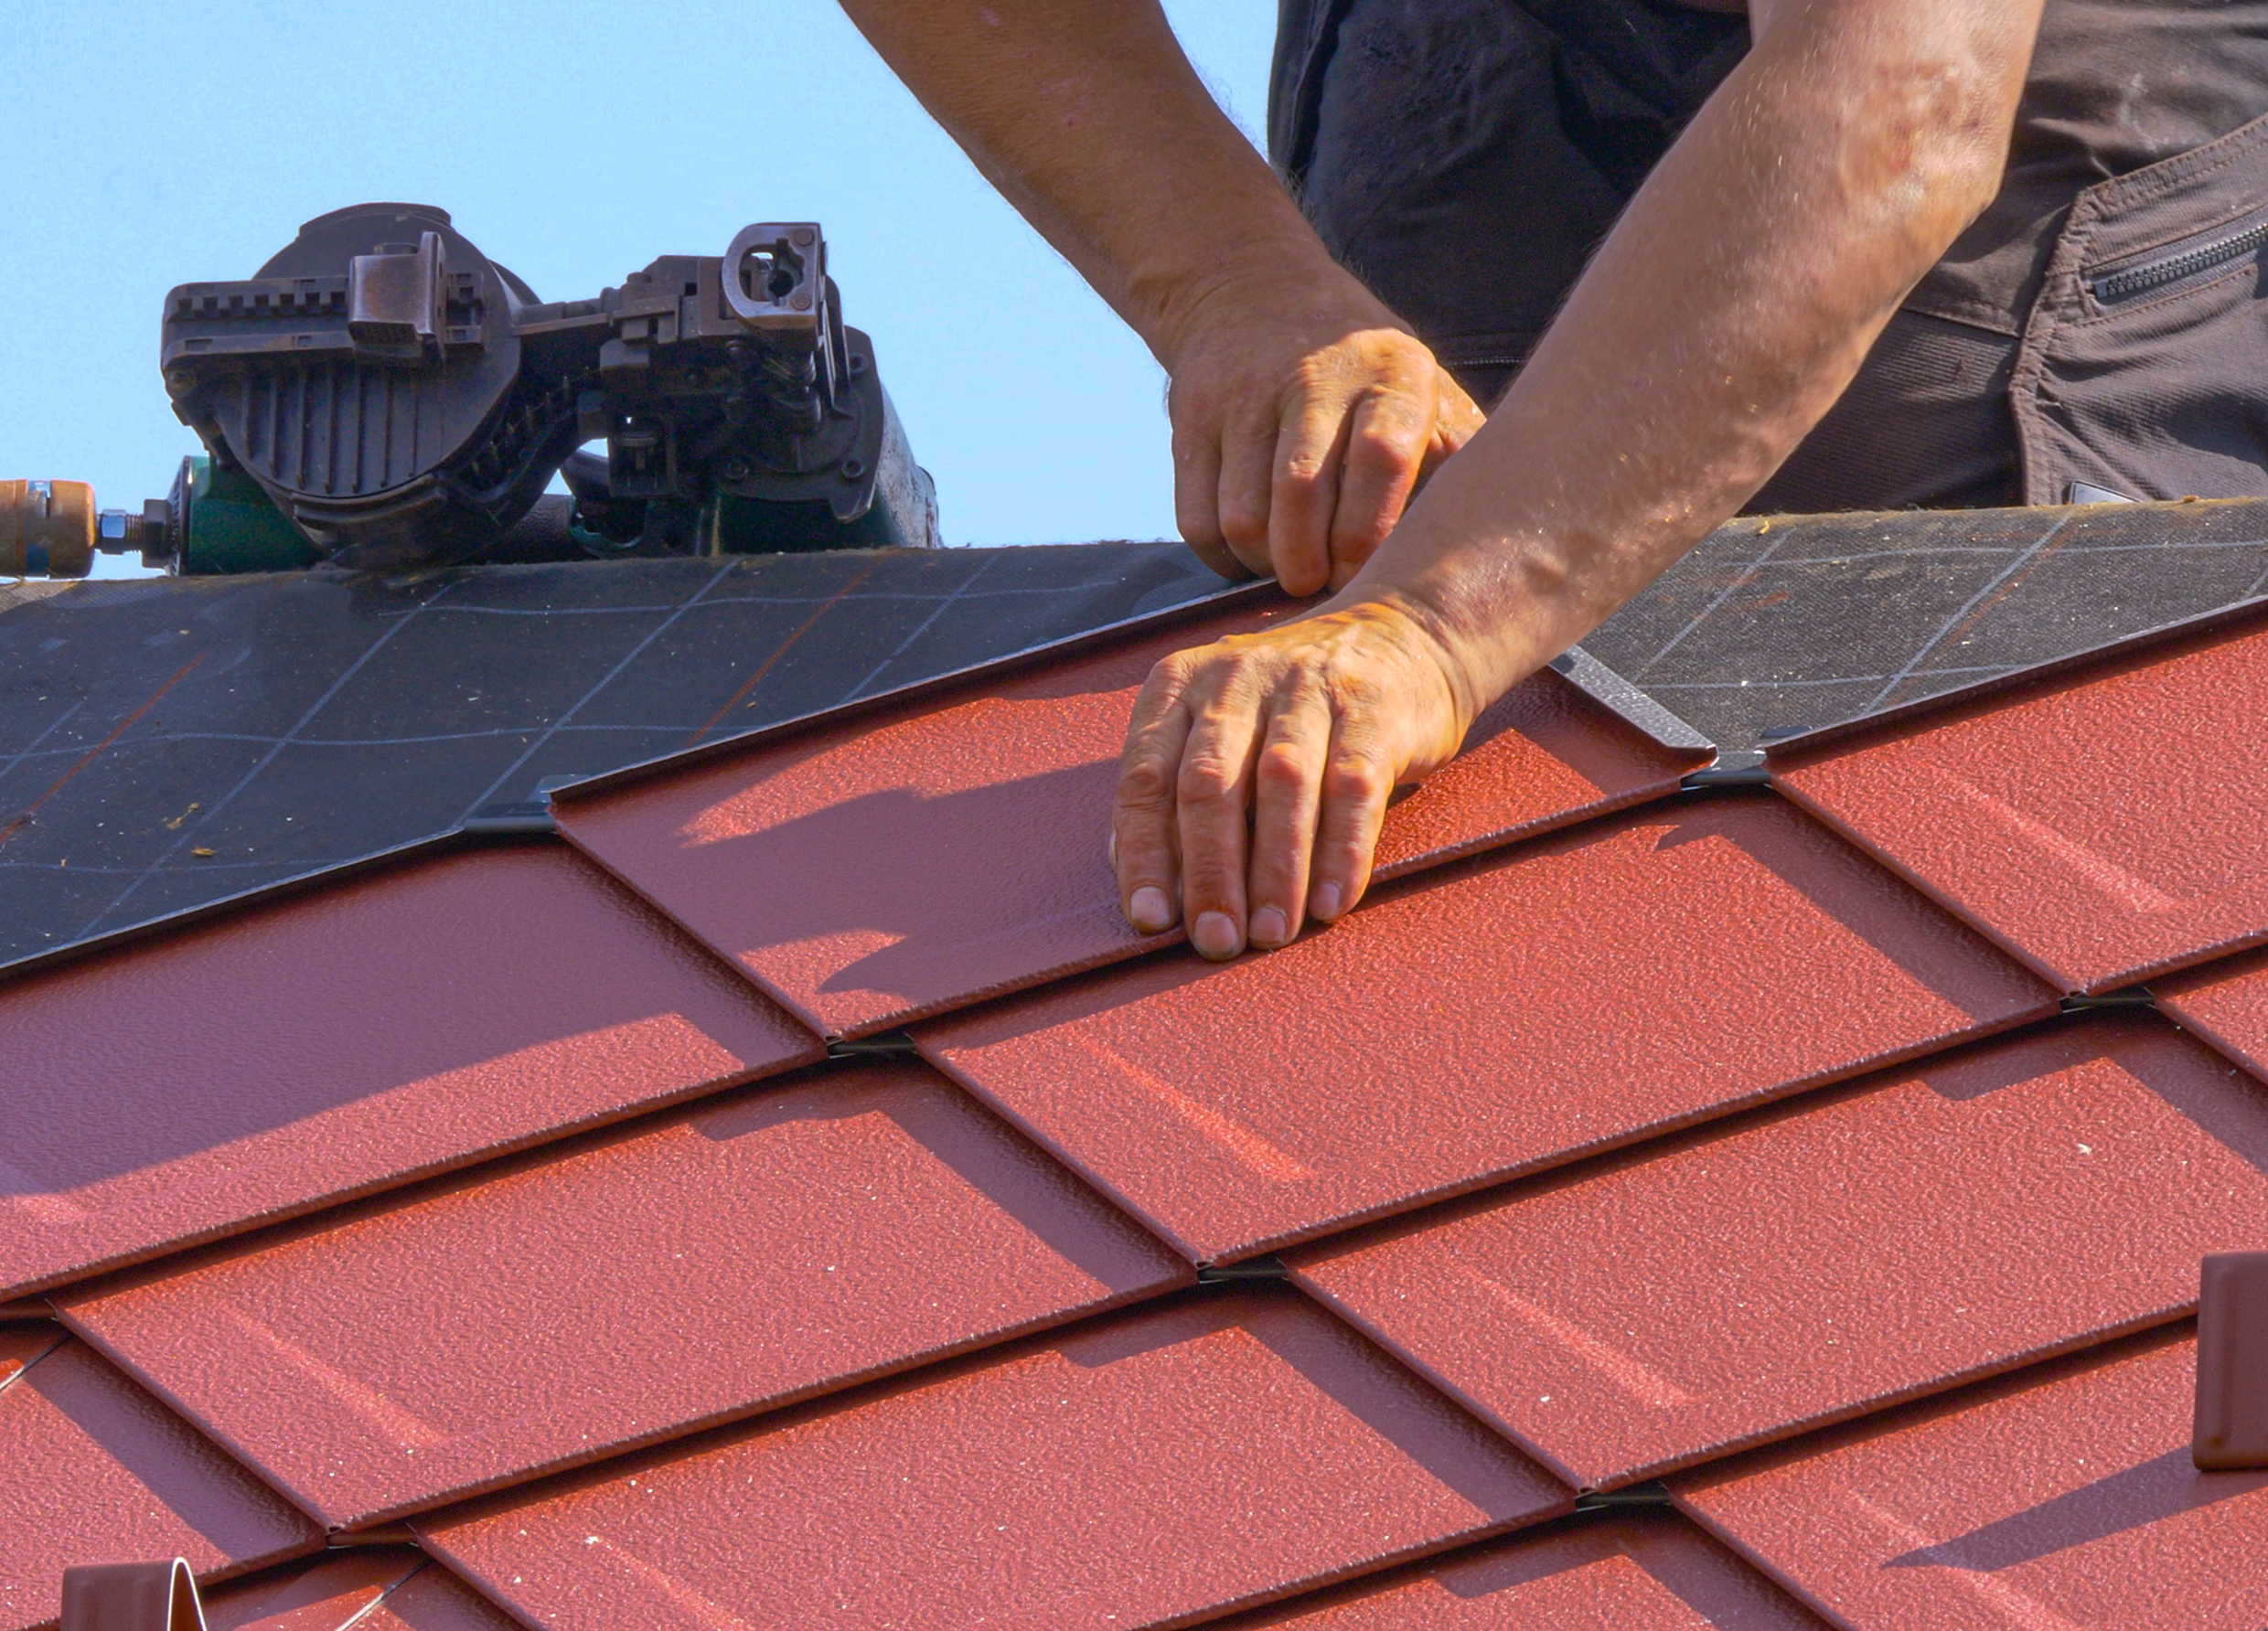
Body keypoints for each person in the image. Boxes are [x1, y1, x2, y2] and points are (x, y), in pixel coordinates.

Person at [839, 0, 2268, 959]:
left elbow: (1899, 101)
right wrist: (1238, 288)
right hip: (1463, 90)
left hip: (2024, 241)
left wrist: (1436, 624)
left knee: (1993, 898)